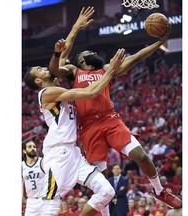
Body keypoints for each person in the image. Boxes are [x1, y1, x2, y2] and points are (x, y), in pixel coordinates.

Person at [48, 7, 182, 209]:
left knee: (141, 156)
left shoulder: (107, 69)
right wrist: (74, 29)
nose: (93, 52)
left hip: (110, 119)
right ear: (80, 59)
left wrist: (160, 42)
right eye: (88, 52)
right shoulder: (73, 71)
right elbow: (55, 68)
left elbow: (136, 57)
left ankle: (159, 191)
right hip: (89, 127)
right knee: (101, 182)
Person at [23, 37, 126, 216]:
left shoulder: (56, 85)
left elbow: (62, 53)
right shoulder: (46, 92)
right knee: (51, 202)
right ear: (38, 81)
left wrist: (76, 28)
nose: (44, 68)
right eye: (39, 69)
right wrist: (109, 72)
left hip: (73, 153)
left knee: (107, 191)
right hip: (58, 154)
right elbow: (90, 92)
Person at [22, 140, 46, 216]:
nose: (33, 148)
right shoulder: (22, 166)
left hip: (44, 200)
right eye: (30, 147)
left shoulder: (42, 162)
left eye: (34, 147)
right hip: (30, 202)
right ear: (24, 151)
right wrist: (23, 199)